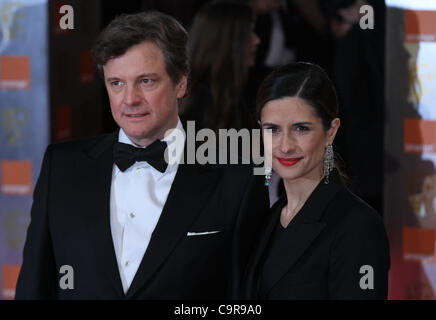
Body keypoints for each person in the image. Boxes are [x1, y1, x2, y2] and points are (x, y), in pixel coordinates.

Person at [15, 11, 269, 299]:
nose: (130, 99)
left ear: (181, 83)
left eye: (146, 81)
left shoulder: (237, 177)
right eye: (117, 83)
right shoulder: (62, 167)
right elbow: (34, 287)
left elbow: (245, 299)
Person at [241, 62, 390, 299]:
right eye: (273, 130)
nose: (285, 146)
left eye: (301, 129)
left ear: (331, 131)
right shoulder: (266, 219)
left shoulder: (358, 226)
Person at [180, 1, 260, 131]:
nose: (257, 40)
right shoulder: (199, 104)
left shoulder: (229, 94)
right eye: (248, 33)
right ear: (227, 41)